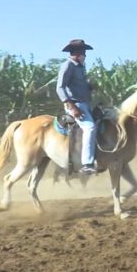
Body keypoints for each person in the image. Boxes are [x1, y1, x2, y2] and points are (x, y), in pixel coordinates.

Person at [56, 39, 97, 174]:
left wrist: (88, 87)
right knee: (90, 127)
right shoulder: (68, 66)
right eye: (84, 53)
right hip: (75, 105)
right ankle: (87, 163)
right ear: (79, 53)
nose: (85, 56)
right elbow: (60, 88)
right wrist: (71, 106)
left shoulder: (80, 67)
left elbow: (77, 85)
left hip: (84, 103)